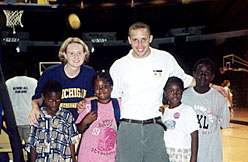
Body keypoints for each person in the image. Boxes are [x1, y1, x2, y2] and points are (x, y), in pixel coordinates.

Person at [109, 22, 196, 162]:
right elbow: (112, 96)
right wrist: (88, 100)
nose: (140, 44)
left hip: (155, 127)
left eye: (143, 39)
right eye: (135, 39)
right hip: (128, 129)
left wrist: (213, 87)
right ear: (129, 40)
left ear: (150, 38)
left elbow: (185, 79)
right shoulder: (119, 66)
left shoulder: (165, 59)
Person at [29, 37, 96, 125]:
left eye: (79, 53)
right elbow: (38, 98)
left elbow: (97, 97)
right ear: (64, 54)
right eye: (71, 53)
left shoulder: (90, 73)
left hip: (78, 125)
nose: (76, 57)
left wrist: (85, 100)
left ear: (85, 54)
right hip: (53, 124)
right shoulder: (50, 73)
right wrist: (35, 108)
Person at [182, 58, 230, 162]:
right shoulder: (184, 96)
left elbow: (224, 124)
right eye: (200, 72)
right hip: (188, 153)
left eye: (207, 73)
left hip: (211, 154)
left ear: (212, 76)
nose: (203, 76)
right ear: (194, 74)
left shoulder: (219, 99)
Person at [25, 80, 79, 162]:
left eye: (57, 100)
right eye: (50, 100)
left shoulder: (67, 116)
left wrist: (74, 160)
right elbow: (32, 144)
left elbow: (71, 142)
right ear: (43, 97)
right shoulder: (38, 117)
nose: (54, 104)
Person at [76, 70, 121, 162]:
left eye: (104, 86)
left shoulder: (119, 105)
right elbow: (78, 130)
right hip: (88, 157)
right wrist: (85, 121)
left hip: (110, 158)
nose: (101, 90)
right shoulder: (88, 106)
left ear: (111, 87)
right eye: (97, 87)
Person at [161, 77, 198, 162]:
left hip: (182, 153)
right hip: (166, 152)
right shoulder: (164, 112)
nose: (175, 94)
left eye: (178, 91)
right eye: (171, 91)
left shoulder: (188, 110)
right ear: (165, 93)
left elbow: (194, 136)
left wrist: (193, 158)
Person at [6, 62, 37, 145]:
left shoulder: (8, 83)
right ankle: (29, 158)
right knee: (30, 146)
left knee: (16, 147)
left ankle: (18, 158)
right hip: (29, 119)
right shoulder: (33, 82)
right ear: (25, 72)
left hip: (15, 120)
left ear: (15, 72)